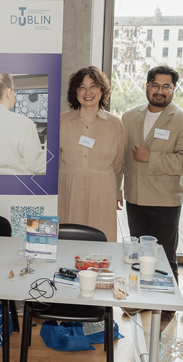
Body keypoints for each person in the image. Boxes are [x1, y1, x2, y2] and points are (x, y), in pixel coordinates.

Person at [117, 65, 183, 280]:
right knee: (137, 256)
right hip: (134, 198)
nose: (160, 91)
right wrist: (117, 188)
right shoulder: (128, 117)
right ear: (147, 86)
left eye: (166, 86)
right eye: (155, 85)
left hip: (165, 202)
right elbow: (121, 157)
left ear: (174, 89)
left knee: (164, 257)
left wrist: (150, 157)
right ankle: (141, 299)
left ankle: (166, 310)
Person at [58, 66, 124, 242]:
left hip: (102, 191)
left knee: (101, 240)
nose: (88, 91)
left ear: (102, 90)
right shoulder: (61, 122)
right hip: (68, 190)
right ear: (76, 92)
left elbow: (118, 162)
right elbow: (53, 159)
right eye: (82, 87)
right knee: (67, 239)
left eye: (93, 86)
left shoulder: (115, 124)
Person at [0, 74, 46, 175]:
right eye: (14, 91)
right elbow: (37, 168)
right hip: (16, 186)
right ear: (8, 92)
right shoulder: (24, 123)